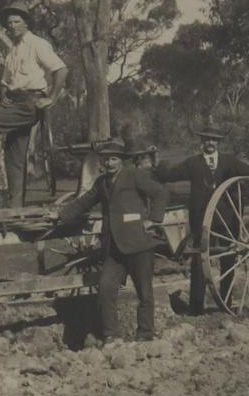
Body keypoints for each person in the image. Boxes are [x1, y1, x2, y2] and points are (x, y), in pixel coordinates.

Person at [52, 138, 170, 343]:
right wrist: (61, 215)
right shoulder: (101, 183)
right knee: (106, 288)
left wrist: (154, 220)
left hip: (138, 245)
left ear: (122, 161)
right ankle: (111, 335)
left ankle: (145, 335)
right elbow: (83, 203)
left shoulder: (134, 176)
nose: (109, 163)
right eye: (105, 159)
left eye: (113, 159)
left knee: (145, 293)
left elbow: (160, 192)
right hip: (114, 249)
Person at [155, 125, 249, 315]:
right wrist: (155, 165)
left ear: (218, 142)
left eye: (214, 140)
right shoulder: (192, 163)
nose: (210, 143)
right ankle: (196, 308)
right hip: (202, 220)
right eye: (207, 139)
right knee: (199, 261)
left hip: (227, 220)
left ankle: (226, 302)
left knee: (228, 259)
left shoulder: (229, 161)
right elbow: (170, 175)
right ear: (202, 142)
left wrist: (244, 195)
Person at [0, 3, 67, 208]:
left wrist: (51, 97)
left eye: (17, 21)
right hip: (13, 105)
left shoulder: (37, 44)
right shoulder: (13, 51)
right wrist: (3, 97)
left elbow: (61, 70)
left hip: (30, 105)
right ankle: (16, 209)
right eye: (10, 23)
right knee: (14, 160)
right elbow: (5, 81)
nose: (13, 25)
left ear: (26, 23)